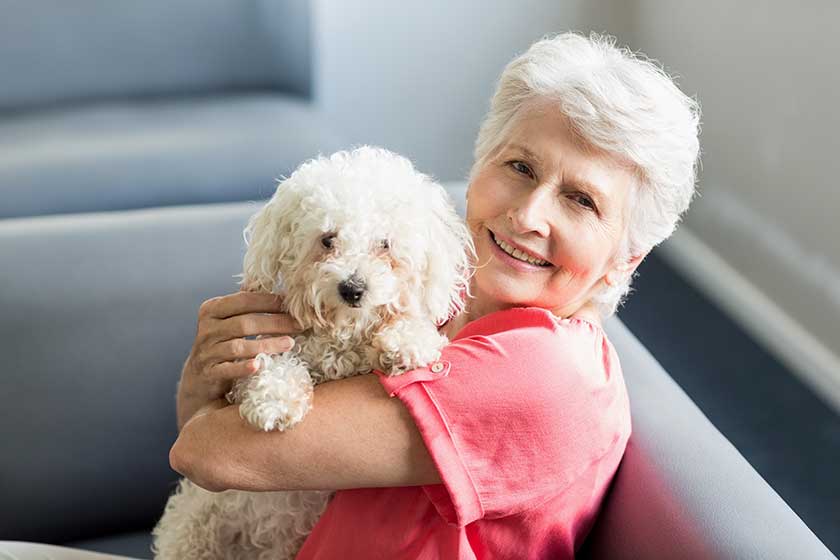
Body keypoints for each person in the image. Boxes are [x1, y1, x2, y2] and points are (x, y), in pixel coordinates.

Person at [1, 31, 700, 559]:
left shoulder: (543, 376)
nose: (528, 215)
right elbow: (204, 442)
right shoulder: (441, 305)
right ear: (479, 164)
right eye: (519, 167)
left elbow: (212, 454)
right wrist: (206, 381)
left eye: (580, 200)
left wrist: (208, 413)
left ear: (625, 257)